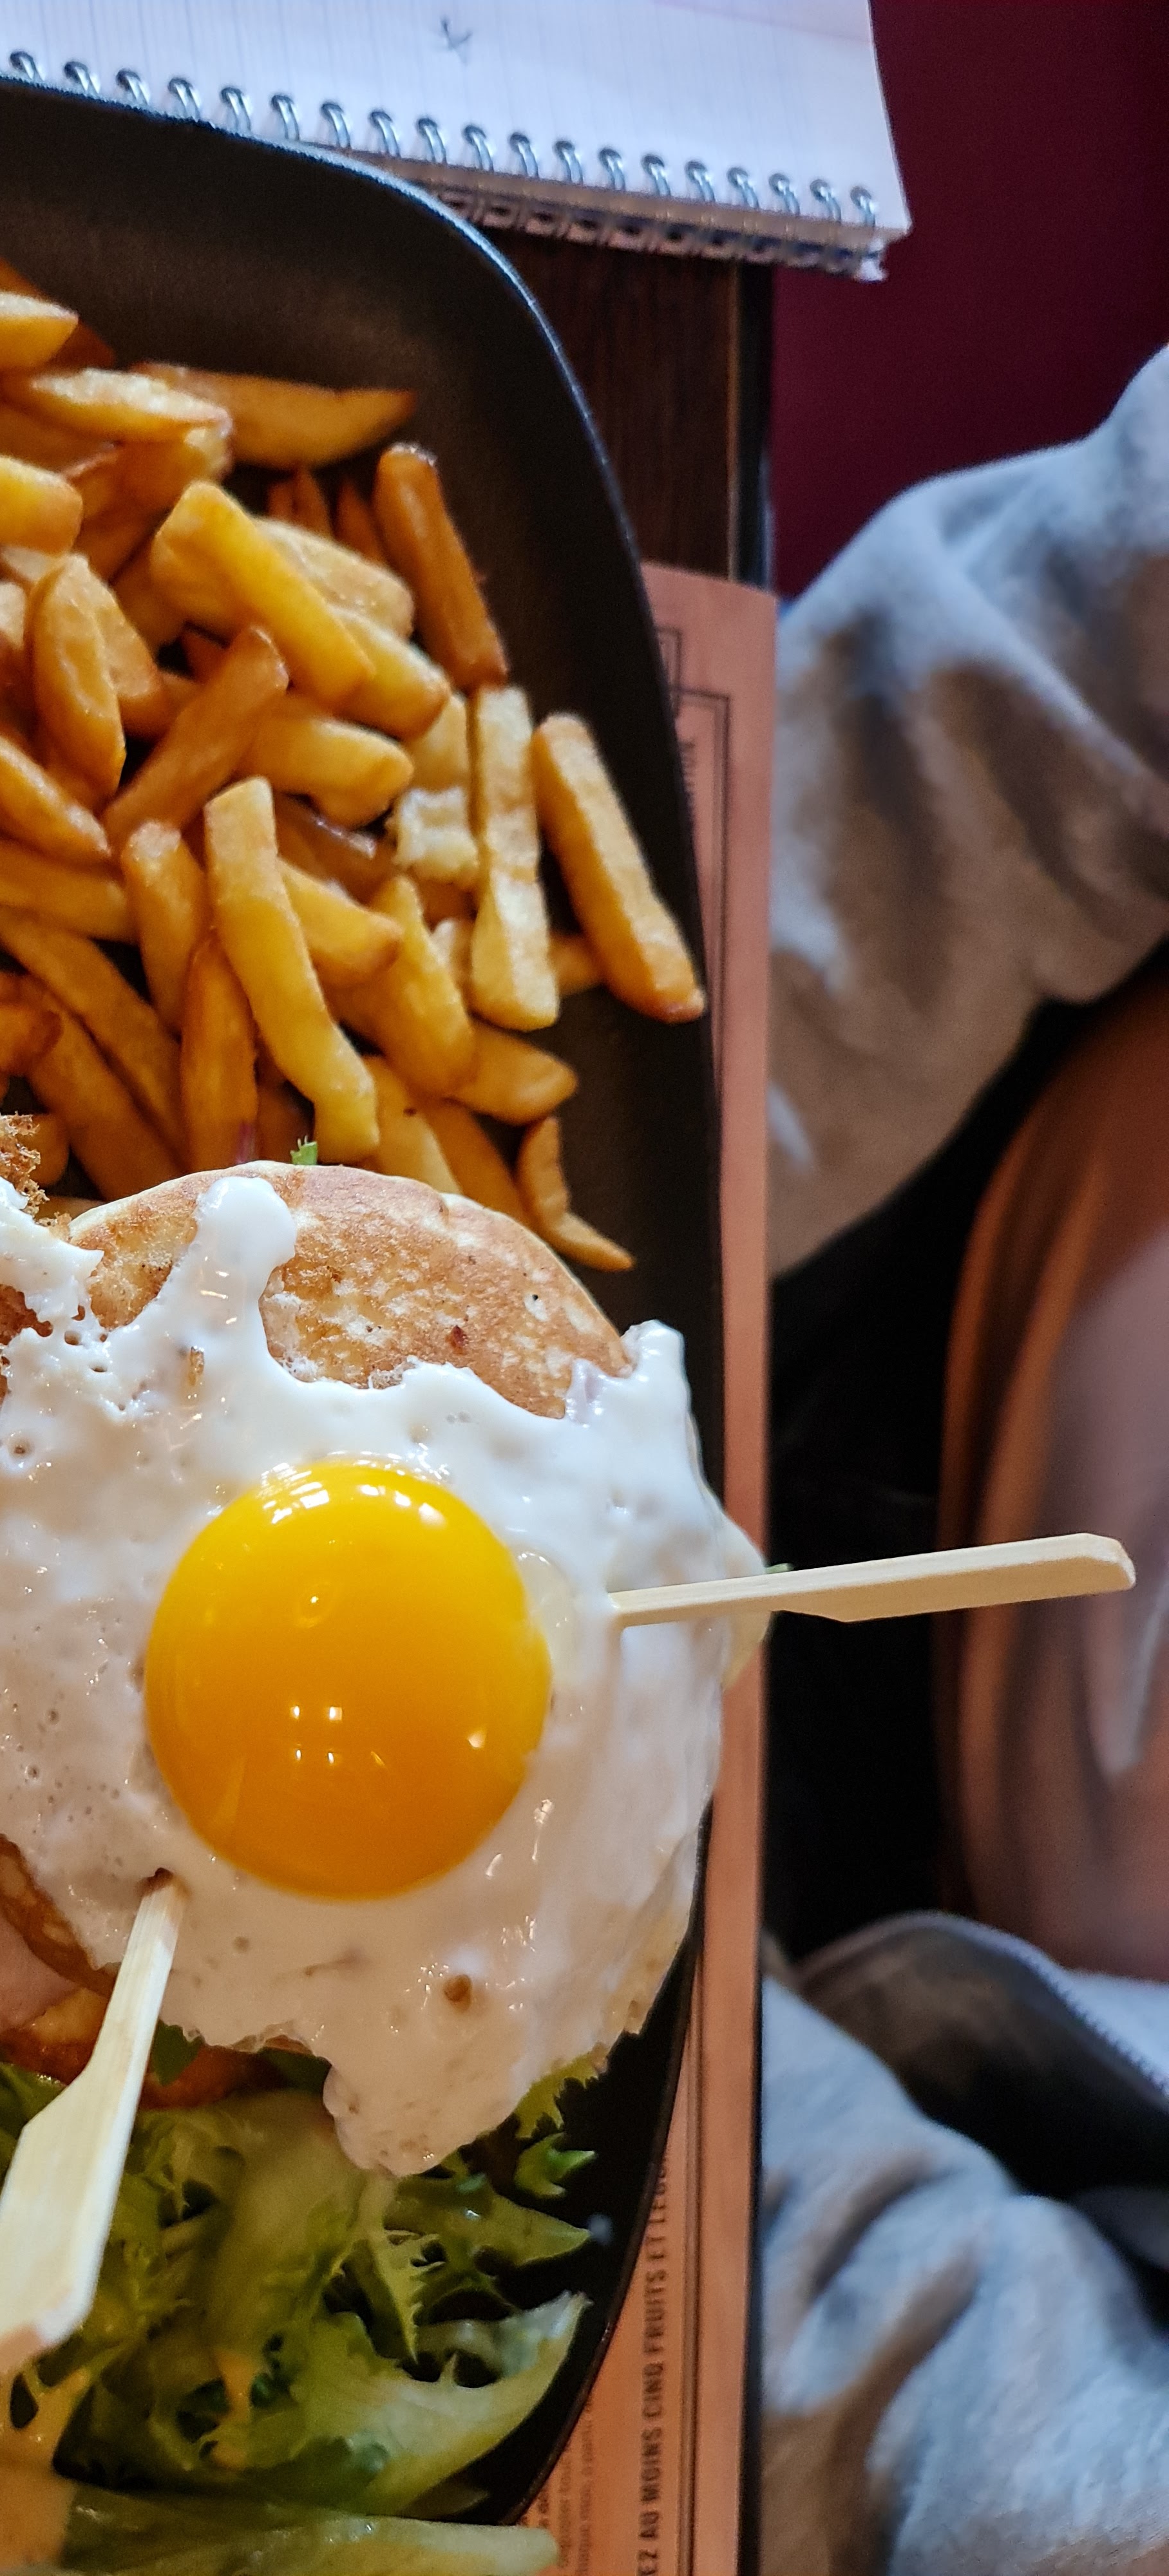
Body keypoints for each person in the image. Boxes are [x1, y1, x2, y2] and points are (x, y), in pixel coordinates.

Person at [761, 346, 1169, 2573]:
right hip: (873, 1128)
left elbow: (1043, 2502)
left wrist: (599, 1978)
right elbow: (1109, 618)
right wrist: (618, 1174)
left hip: (902, 2089)